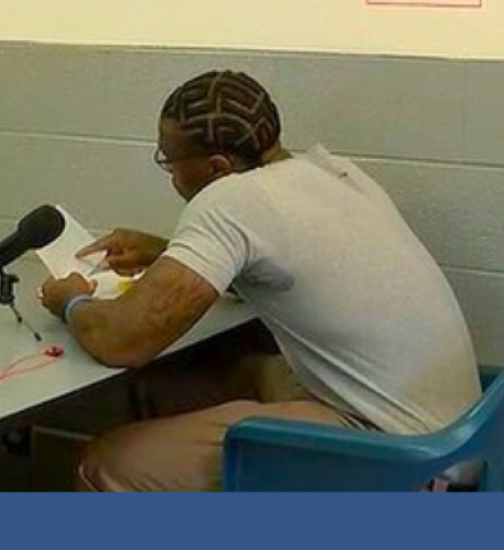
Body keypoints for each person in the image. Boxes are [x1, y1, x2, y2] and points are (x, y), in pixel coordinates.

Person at [38, 68, 480, 491]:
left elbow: (123, 340)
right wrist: (163, 250)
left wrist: (71, 300)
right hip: (464, 441)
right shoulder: (332, 172)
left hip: (400, 461)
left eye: (169, 163)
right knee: (214, 377)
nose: (171, 175)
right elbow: (283, 263)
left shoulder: (230, 200)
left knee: (103, 465)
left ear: (216, 167)